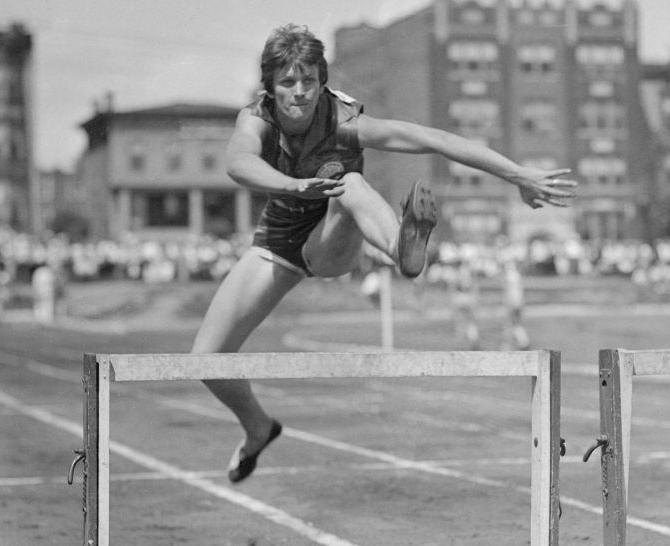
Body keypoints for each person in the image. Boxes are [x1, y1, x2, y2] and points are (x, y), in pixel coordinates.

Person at [193, 23, 577, 482]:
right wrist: (294, 184)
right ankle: (258, 428)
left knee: (351, 184)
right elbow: (238, 163)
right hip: (278, 243)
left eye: (309, 82)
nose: (300, 94)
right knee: (206, 359)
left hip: (331, 238)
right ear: (270, 87)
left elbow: (432, 139)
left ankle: (402, 247)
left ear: (321, 80)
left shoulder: (343, 121)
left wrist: (518, 174)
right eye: (288, 83)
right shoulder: (256, 118)